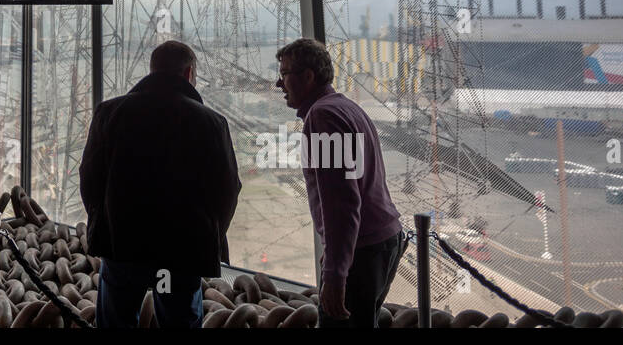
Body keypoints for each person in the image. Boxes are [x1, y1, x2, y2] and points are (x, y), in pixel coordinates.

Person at [79, 40, 241, 328]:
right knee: (178, 319)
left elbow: (90, 178)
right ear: (189, 73)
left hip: (122, 246)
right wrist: (208, 235)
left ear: (152, 69)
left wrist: (103, 224)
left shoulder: (109, 113)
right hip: (179, 254)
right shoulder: (211, 123)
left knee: (117, 318)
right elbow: (227, 190)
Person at [275, 37, 405, 328]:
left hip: (362, 253)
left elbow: (341, 203)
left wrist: (335, 272)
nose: (278, 84)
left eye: (284, 74)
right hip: (381, 243)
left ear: (307, 77)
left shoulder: (322, 117)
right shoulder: (346, 108)